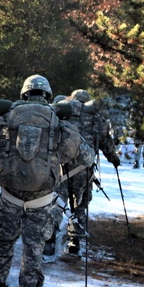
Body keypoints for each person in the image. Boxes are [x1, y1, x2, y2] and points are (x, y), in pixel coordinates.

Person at [0, 74, 87, 287]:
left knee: (3, 242)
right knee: (32, 251)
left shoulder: (7, 118)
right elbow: (77, 154)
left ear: (24, 94)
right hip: (40, 200)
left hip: (9, 196)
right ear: (46, 95)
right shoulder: (56, 120)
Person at [45, 89, 121, 258]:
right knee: (80, 203)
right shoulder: (96, 117)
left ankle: (49, 236)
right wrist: (114, 159)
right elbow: (105, 141)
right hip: (84, 169)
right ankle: (75, 241)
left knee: (58, 200)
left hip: (61, 166)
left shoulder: (61, 112)